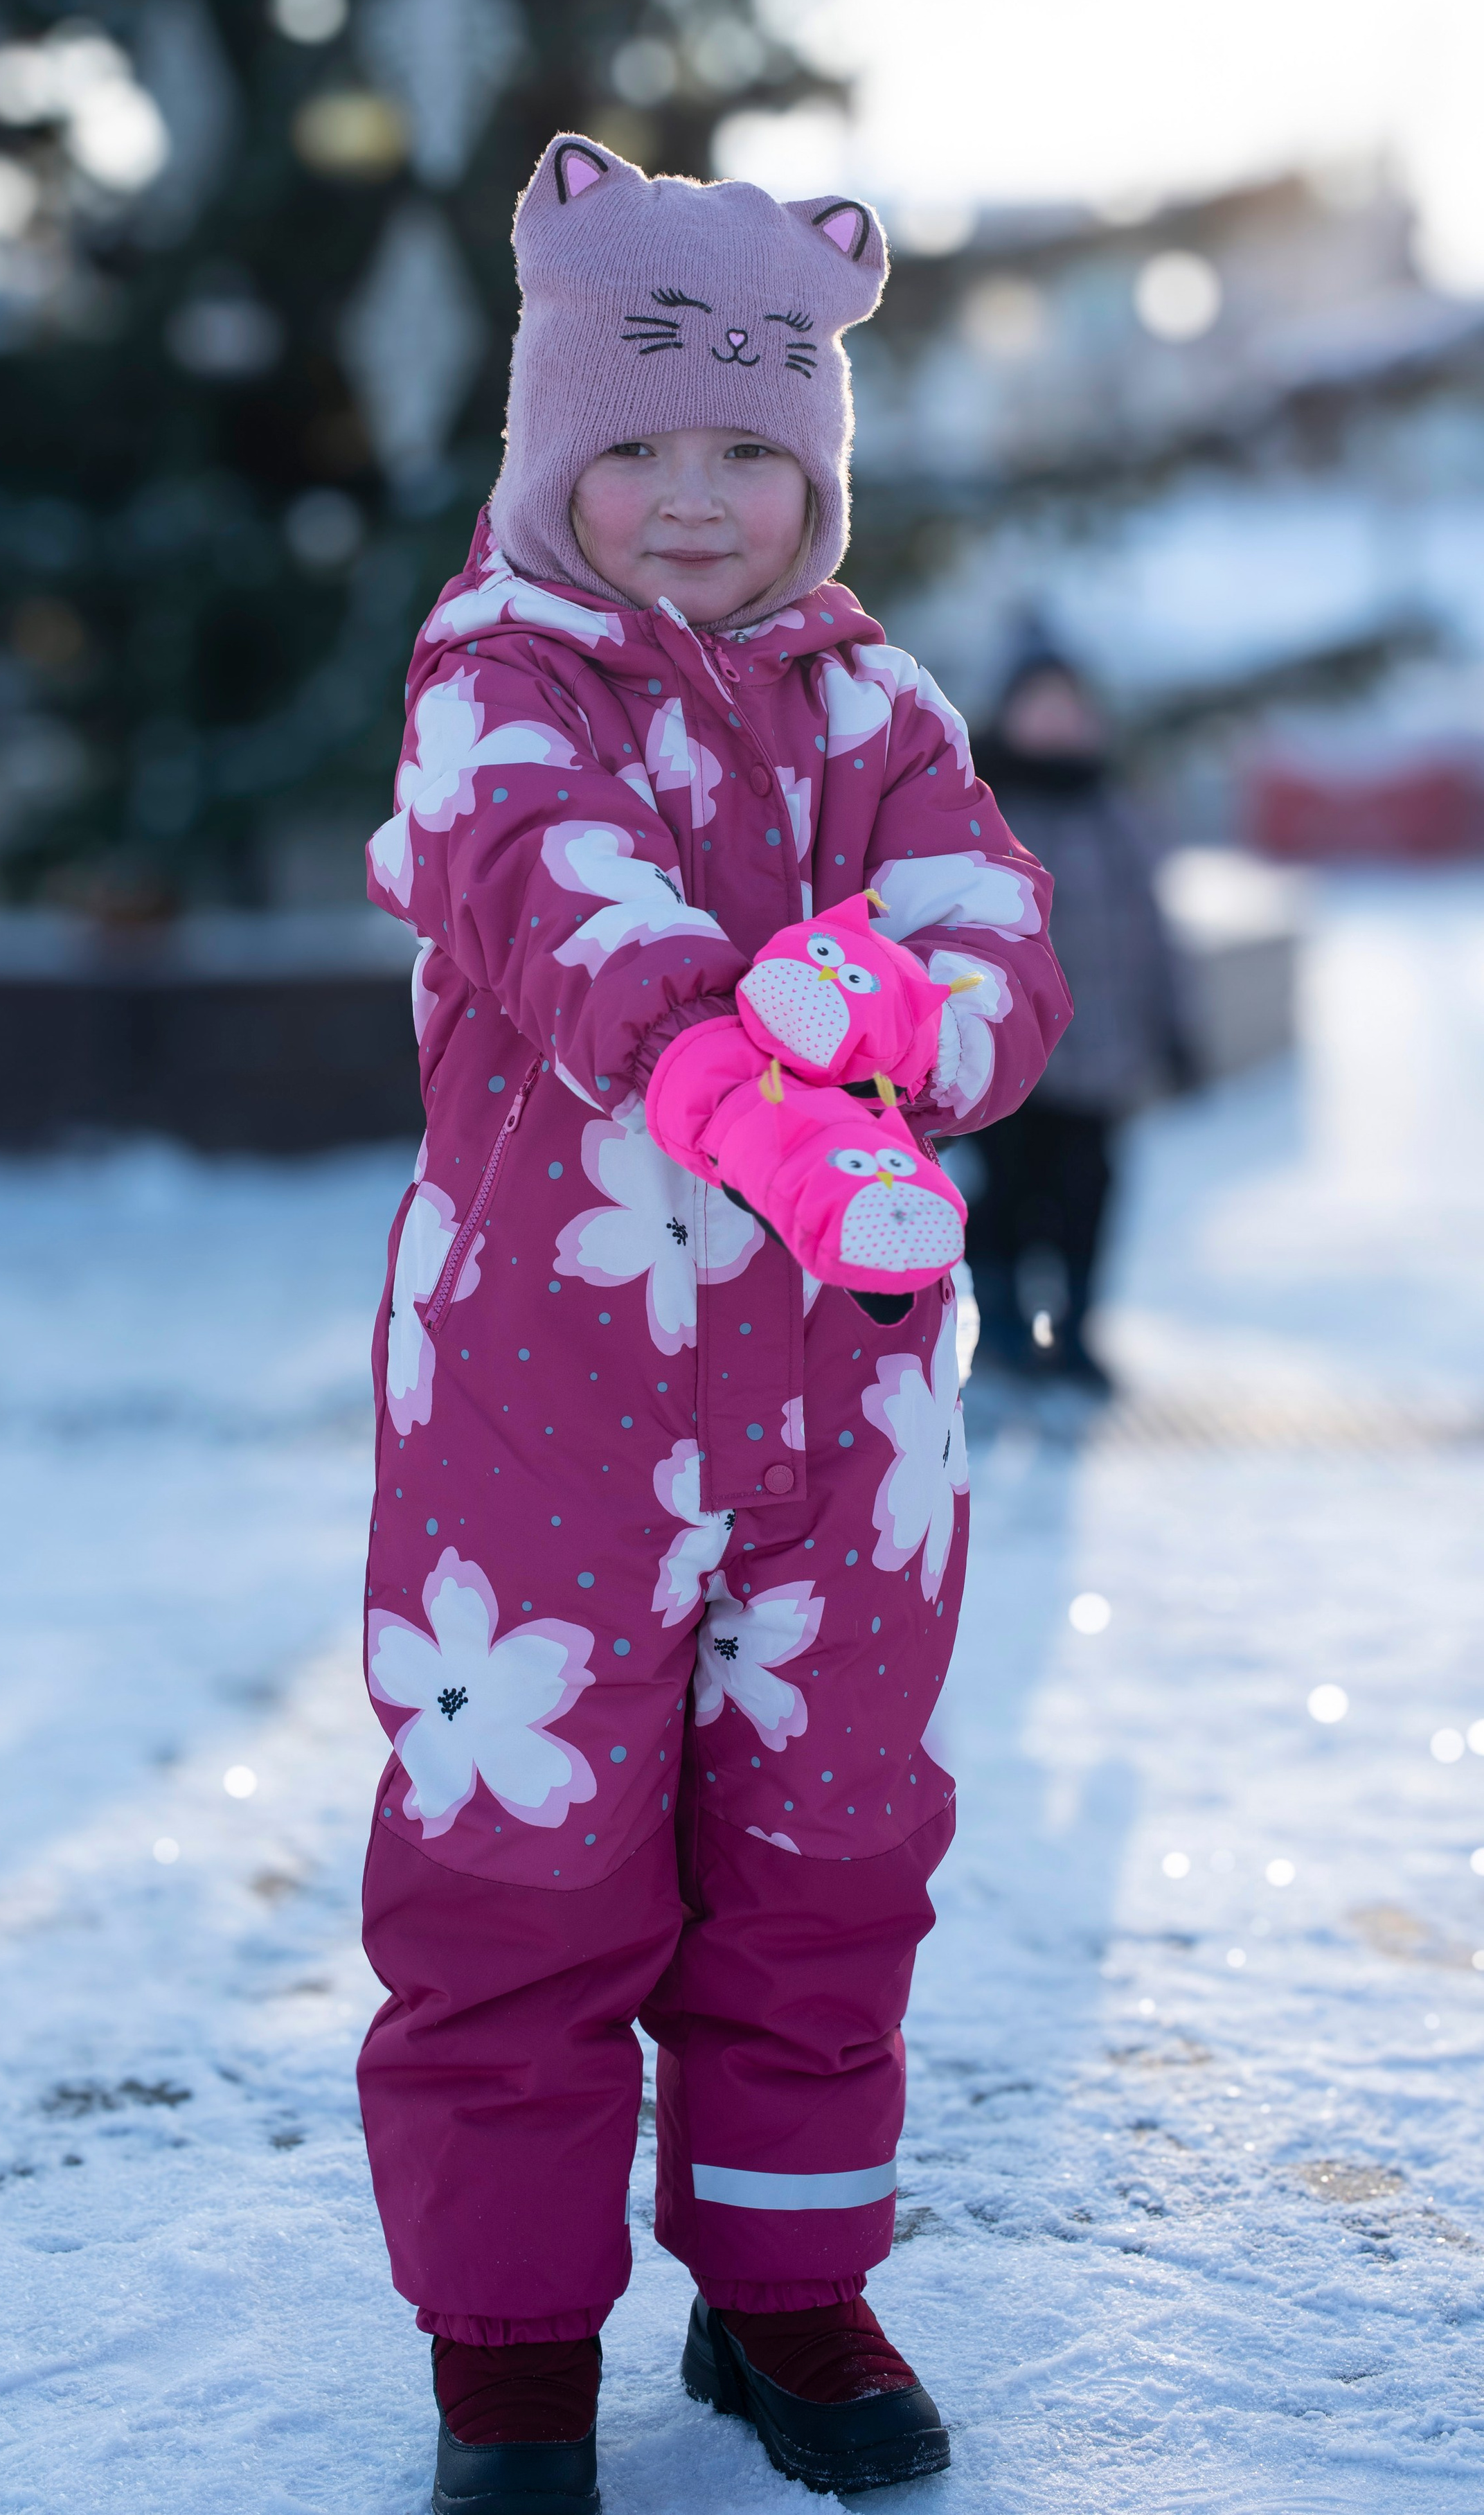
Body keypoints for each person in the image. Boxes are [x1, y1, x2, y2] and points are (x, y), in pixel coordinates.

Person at [358, 134, 1071, 2514]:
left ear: (817, 466)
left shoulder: (872, 694)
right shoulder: (491, 679)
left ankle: (783, 2281)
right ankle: (511, 2346)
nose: (693, 501)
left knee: (829, 1849)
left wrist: (894, 998)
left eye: (752, 451)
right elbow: (560, 911)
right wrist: (732, 1081)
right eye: (639, 444)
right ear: (556, 442)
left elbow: (999, 939)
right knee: (523, 1858)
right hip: (541, 1409)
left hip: (852, 1415)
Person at [965, 643, 1190, 1394]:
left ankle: (1077, 1328)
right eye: (1042, 706)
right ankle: (1000, 1324)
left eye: (1070, 707)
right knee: (1008, 1194)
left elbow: (1157, 929)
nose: (1058, 721)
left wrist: (1178, 1028)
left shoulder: (1119, 811)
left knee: (1088, 1195)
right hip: (1006, 1048)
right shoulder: (980, 805)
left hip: (1105, 1051)